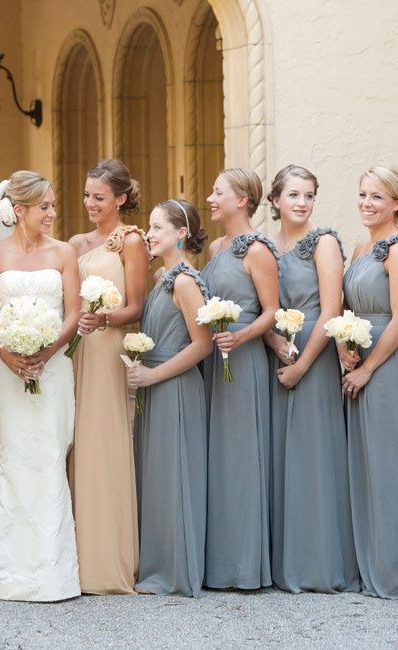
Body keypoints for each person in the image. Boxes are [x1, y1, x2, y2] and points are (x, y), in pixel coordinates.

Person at [0, 170, 81, 602]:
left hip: (53, 367)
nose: (53, 214)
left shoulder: (64, 253)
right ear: (17, 211)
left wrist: (46, 351)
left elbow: (73, 314)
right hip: (7, 368)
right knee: (14, 455)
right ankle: (6, 567)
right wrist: (10, 356)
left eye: (53, 205)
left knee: (50, 455)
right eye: (45, 207)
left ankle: (54, 572)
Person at [264, 165, 358, 593]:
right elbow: (260, 307)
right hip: (276, 353)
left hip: (313, 358)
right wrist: (274, 345)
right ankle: (284, 562)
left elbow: (330, 308)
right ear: (277, 200)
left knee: (313, 454)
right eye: (295, 195)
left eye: (309, 195)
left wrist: (302, 365)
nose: (302, 203)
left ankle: (318, 564)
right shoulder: (265, 246)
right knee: (281, 455)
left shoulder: (322, 244)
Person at [68, 159, 149, 595]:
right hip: (74, 349)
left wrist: (104, 319)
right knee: (74, 439)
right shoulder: (77, 242)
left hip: (107, 346)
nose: (90, 204)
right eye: (86, 196)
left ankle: (107, 558)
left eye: (99, 197)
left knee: (103, 440)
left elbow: (137, 305)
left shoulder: (130, 242)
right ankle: (73, 553)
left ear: (120, 199)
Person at [127, 199, 212, 597]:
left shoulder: (183, 281)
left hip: (175, 386)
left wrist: (152, 375)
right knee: (156, 474)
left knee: (174, 474)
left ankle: (174, 570)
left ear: (181, 233)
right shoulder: (162, 275)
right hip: (154, 385)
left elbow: (203, 345)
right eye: (149, 226)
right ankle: (156, 563)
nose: (149, 233)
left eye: (158, 227)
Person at [202, 168, 279, 590]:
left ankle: (245, 565)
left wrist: (240, 336)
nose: (211, 199)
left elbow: (271, 311)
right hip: (215, 358)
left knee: (242, 456)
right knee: (220, 457)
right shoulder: (216, 246)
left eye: (218, 192)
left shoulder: (258, 249)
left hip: (244, 359)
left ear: (243, 200)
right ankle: (220, 560)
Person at [341, 166, 398, 599]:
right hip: (358, 356)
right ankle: (369, 564)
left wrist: (367, 368)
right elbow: (346, 305)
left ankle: (391, 571)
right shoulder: (362, 245)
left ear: (395, 203)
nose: (366, 203)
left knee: (386, 465)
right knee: (363, 465)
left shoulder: (395, 249)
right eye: (363, 194)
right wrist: (344, 344)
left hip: (385, 365)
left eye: (377, 196)